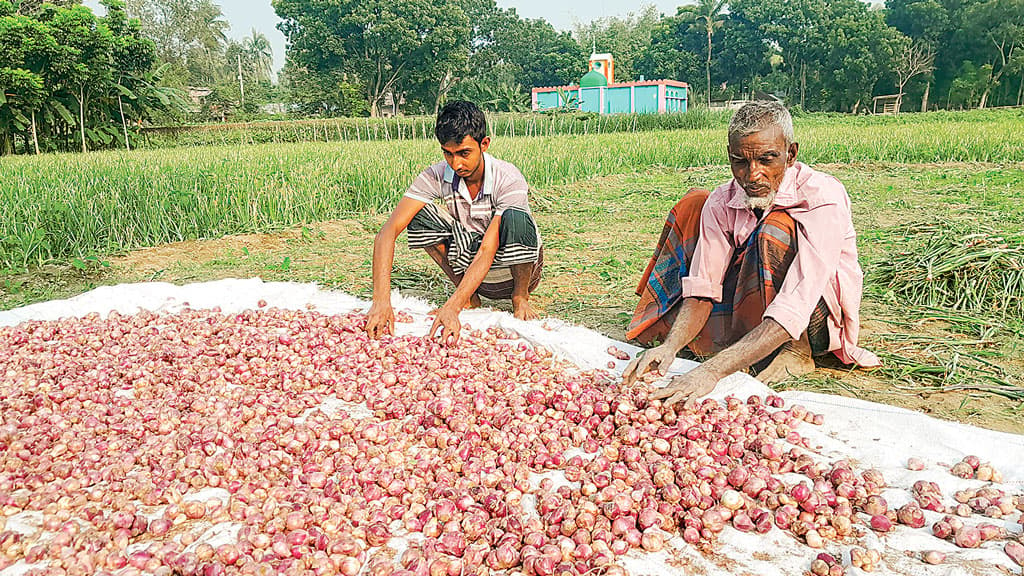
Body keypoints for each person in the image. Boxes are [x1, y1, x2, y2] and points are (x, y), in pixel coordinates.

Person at [622, 101, 879, 407]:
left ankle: (798, 353)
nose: (752, 175)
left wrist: (711, 371)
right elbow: (703, 287)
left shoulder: (821, 198)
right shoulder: (723, 200)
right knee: (696, 202)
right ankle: (746, 346)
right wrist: (670, 347)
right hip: (757, 304)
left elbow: (797, 303)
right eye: (740, 162)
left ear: (791, 154)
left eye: (766, 160)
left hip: (813, 317)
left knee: (775, 228)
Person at [364, 100, 542, 343]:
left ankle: (520, 298)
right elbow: (388, 231)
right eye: (448, 153)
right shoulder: (436, 174)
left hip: (512, 269)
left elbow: (488, 249)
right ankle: (470, 297)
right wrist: (381, 301)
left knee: (516, 217)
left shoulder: (508, 178)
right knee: (418, 213)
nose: (456, 164)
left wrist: (452, 306)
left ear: (484, 144)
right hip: (471, 266)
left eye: (464, 153)